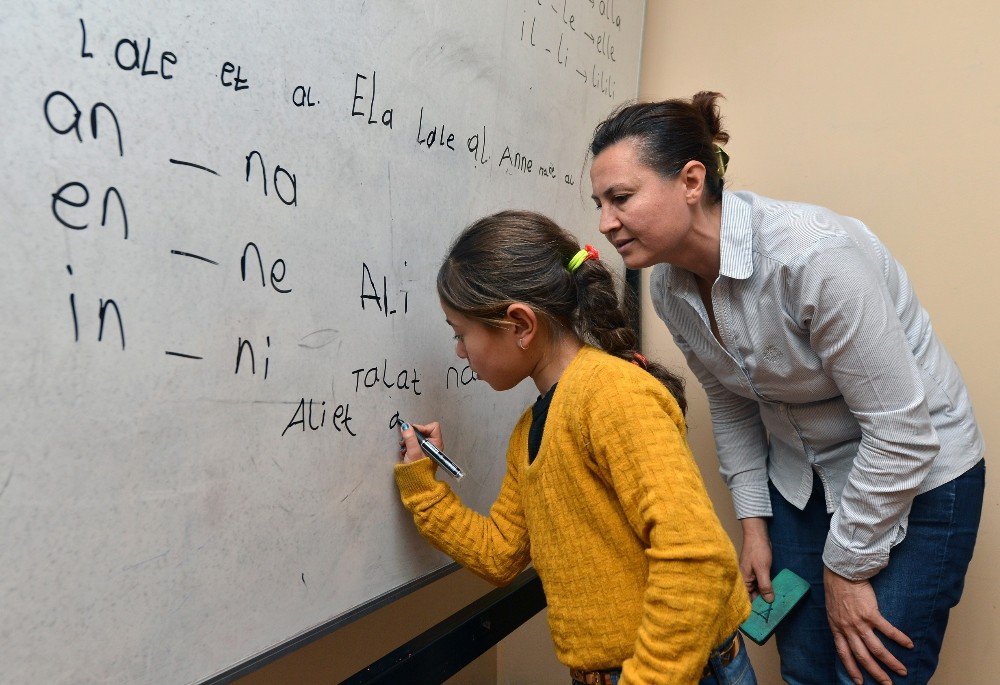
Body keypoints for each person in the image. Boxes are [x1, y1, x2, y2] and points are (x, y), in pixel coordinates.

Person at [587, 92, 985, 685]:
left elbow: (902, 431)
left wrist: (846, 569)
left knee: (873, 676)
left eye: (621, 198)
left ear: (691, 180)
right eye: (599, 203)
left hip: (915, 473)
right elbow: (731, 403)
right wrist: (755, 525)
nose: (604, 223)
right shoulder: (669, 287)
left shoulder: (813, 257)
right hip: (802, 483)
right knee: (803, 671)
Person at [394, 210, 756, 684]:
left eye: (461, 334)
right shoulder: (531, 429)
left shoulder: (612, 395)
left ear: (520, 324)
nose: (460, 351)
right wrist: (425, 487)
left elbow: (698, 556)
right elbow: (501, 553)